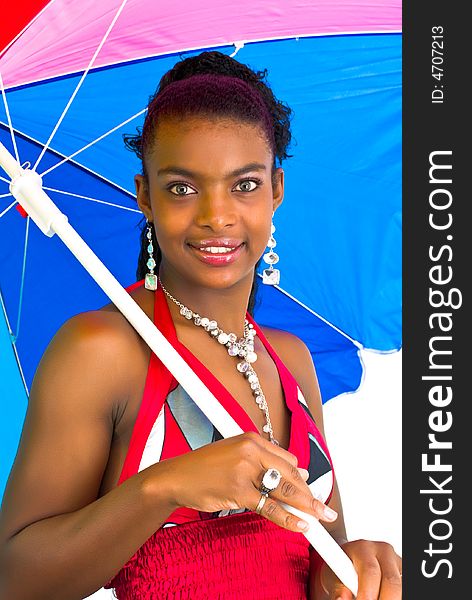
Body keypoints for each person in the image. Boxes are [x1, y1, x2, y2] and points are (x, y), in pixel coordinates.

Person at [0, 51, 401, 599]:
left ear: (276, 189)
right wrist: (162, 487)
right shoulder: (103, 351)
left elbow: (315, 561)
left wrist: (347, 573)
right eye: (183, 188)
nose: (217, 215)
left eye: (244, 185)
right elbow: (14, 578)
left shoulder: (292, 360)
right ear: (145, 195)